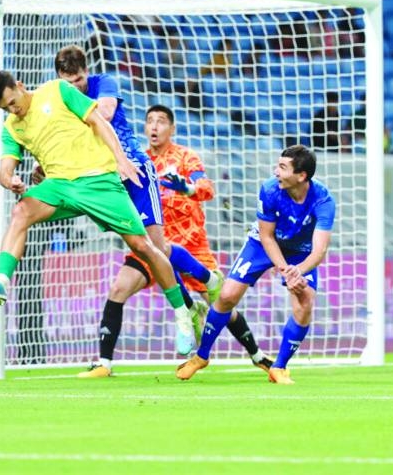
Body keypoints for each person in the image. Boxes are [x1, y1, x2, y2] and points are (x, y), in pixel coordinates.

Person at [0, 71, 198, 359]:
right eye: (6, 108)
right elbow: (5, 167)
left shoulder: (57, 91)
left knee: (143, 247)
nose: (12, 110)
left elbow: (98, 121)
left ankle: (182, 314)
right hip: (60, 185)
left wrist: (120, 160)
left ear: (19, 86)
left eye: (12, 102)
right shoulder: (12, 126)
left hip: (98, 180)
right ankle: (1, 282)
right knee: (21, 211)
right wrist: (9, 179)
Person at [53, 45, 225, 362]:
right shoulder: (59, 99)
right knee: (126, 276)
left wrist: (187, 188)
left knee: (158, 248)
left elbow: (102, 113)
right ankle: (106, 360)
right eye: (67, 82)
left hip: (154, 197)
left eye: (78, 79)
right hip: (104, 180)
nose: (74, 87)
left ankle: (211, 292)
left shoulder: (104, 84)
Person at [80, 105, 273, 377]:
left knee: (223, 303)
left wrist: (186, 187)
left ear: (172, 129)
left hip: (192, 245)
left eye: (160, 122)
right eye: (149, 122)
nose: (154, 127)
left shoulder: (186, 157)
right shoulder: (135, 160)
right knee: (118, 290)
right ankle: (104, 363)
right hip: (150, 245)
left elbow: (206, 188)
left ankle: (257, 354)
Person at [176, 145, 335, 384]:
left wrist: (298, 271)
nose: (275, 171)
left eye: (282, 167)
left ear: (301, 176)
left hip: (300, 253)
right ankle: (201, 356)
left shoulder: (323, 200)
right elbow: (267, 236)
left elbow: (320, 249)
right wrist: (286, 271)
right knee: (227, 295)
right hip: (262, 243)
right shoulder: (270, 189)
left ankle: (278, 367)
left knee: (306, 301)